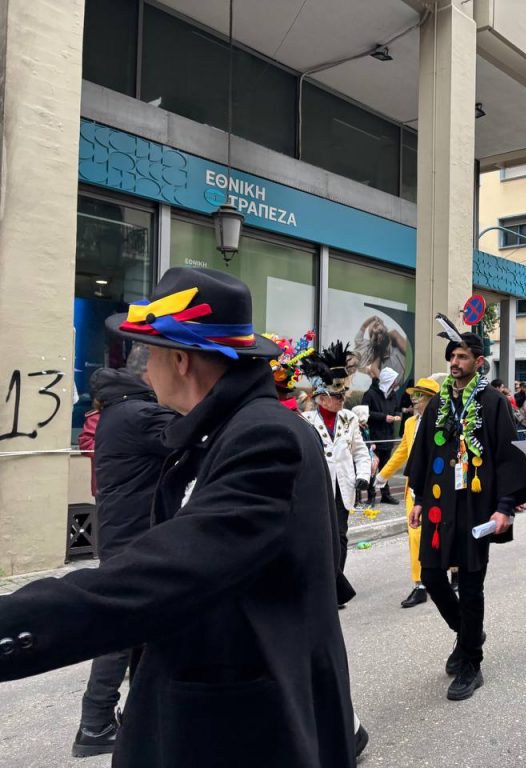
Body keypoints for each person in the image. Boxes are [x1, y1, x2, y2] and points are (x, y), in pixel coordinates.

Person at [0, 268, 362, 766]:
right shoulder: (223, 430)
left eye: (148, 355)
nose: (144, 372)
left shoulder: (263, 436)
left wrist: (14, 622)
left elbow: (171, 570)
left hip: (248, 728)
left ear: (180, 360)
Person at [406, 329, 526, 701]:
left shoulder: (493, 402)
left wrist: (505, 506)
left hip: (476, 505)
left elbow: (510, 455)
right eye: (452, 357)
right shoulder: (439, 403)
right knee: (431, 573)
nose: (454, 363)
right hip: (440, 504)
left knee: (472, 582)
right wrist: (417, 499)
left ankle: (471, 663)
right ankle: (468, 634)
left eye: (461, 357)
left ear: (478, 363)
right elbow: (425, 452)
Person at [71, 351, 178, 757]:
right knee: (124, 629)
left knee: (139, 627)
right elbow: (195, 432)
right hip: (134, 533)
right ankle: (95, 723)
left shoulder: (119, 412)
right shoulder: (140, 414)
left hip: (123, 530)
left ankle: (125, 715)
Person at [300, 343, 370, 608]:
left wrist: (363, 475)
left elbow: (360, 452)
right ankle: (321, 584)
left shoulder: (349, 419)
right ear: (321, 396)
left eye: (343, 395)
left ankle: (333, 588)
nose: (341, 399)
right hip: (316, 488)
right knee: (319, 537)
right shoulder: (305, 420)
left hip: (342, 488)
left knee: (339, 537)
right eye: (336, 395)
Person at [377, 376, 442, 608]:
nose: (414, 399)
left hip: (438, 487)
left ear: (433, 400)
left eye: (420, 395)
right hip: (414, 489)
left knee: (444, 530)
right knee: (415, 535)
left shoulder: (443, 422)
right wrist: (382, 476)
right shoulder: (410, 424)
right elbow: (402, 452)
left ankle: (453, 571)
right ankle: (420, 585)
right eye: (414, 395)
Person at [362, 366, 402, 504]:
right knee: (372, 468)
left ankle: (385, 494)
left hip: (388, 436)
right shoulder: (370, 394)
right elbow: (365, 413)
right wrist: (384, 417)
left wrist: (397, 416)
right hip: (374, 437)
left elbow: (397, 409)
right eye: (394, 381)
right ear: (388, 381)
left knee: (386, 467)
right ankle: (371, 496)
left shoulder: (393, 395)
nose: (396, 383)